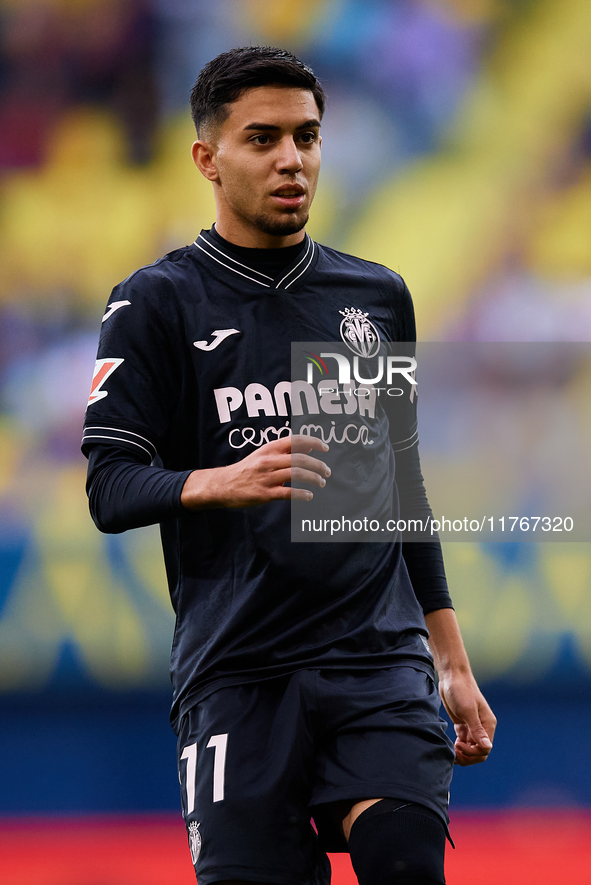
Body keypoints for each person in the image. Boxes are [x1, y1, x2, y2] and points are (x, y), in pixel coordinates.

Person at [82, 46, 496, 885]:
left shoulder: (371, 297)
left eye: (306, 137)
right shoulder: (157, 302)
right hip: (237, 670)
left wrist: (447, 656)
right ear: (207, 157)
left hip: (376, 661)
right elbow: (109, 485)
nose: (291, 160)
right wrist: (214, 481)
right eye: (262, 138)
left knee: (404, 860)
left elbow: (397, 488)